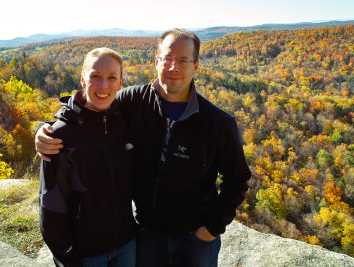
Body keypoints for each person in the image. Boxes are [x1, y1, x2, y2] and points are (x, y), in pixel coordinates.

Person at [36, 29, 251, 267]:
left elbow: (238, 179)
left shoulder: (216, 122)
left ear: (196, 66)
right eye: (167, 59)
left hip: (195, 239)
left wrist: (212, 227)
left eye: (182, 60)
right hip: (147, 234)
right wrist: (47, 129)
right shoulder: (133, 101)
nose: (173, 67)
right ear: (157, 62)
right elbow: (90, 109)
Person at [39, 47, 137, 267]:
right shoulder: (60, 136)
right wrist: (68, 258)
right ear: (83, 80)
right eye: (95, 76)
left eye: (112, 78)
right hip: (85, 254)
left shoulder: (124, 124)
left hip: (126, 245)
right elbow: (50, 206)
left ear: (120, 84)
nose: (104, 86)